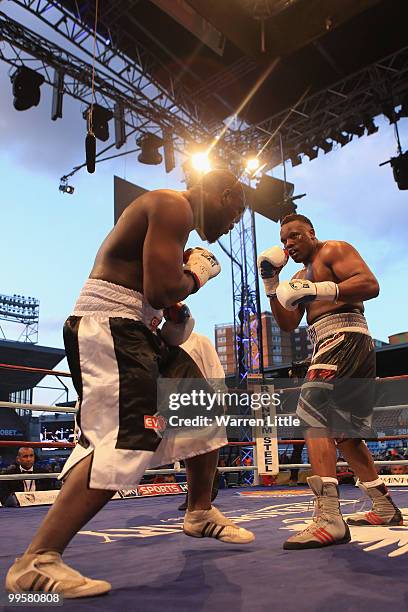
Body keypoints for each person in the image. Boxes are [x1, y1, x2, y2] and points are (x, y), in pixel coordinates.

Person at [6, 169, 254, 598]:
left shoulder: (175, 226)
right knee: (125, 437)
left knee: (202, 407)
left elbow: (162, 304)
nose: (232, 225)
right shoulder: (172, 205)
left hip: (138, 331)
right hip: (109, 326)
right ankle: (36, 561)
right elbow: (160, 290)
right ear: (223, 192)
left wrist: (178, 308)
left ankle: (199, 510)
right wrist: (195, 276)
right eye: (235, 212)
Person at [258, 213, 402, 550]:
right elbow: (288, 323)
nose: (289, 244)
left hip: (344, 335)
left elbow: (371, 284)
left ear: (311, 232)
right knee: (345, 434)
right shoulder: (294, 276)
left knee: (313, 415)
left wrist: (319, 288)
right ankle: (384, 507)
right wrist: (270, 284)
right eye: (284, 241)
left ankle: (328, 518)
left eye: (295, 236)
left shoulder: (333, 250)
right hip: (329, 341)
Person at [176, 331, 225, 511]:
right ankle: (206, 482)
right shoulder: (167, 343)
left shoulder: (200, 340)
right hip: (177, 399)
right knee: (183, 448)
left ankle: (197, 493)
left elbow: (215, 370)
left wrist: (220, 397)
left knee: (202, 446)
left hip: (203, 397)